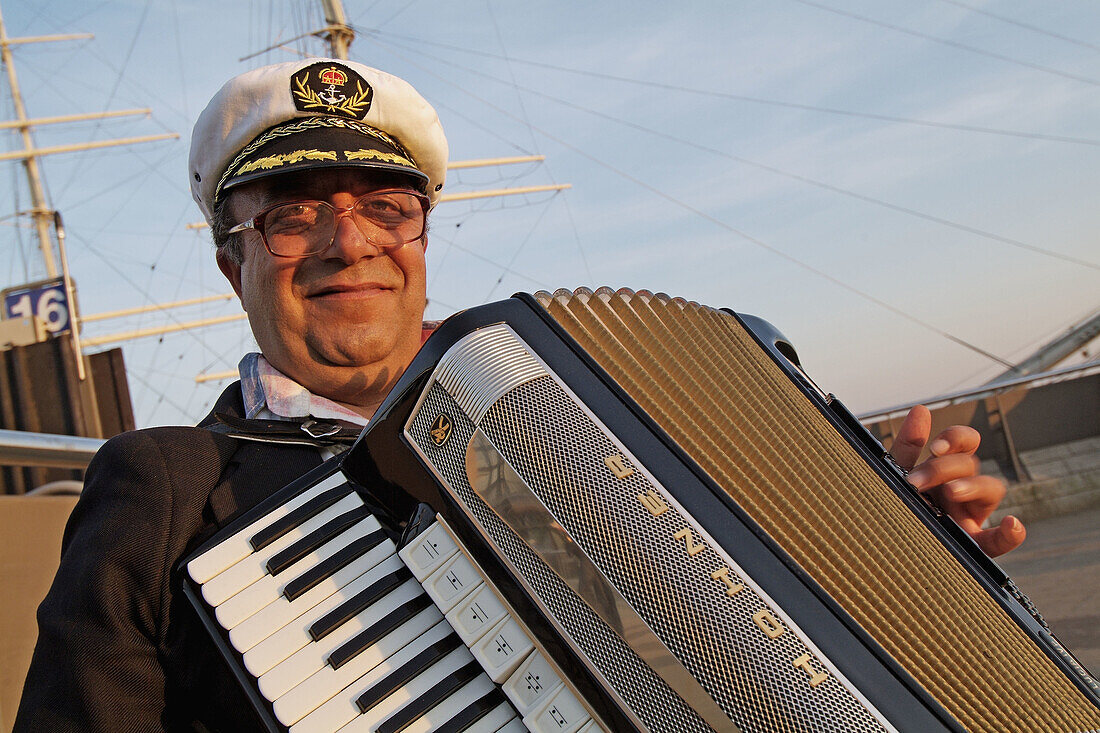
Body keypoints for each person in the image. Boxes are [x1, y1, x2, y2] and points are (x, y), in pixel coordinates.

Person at [14, 58, 1024, 732]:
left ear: (418, 238)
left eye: (383, 208)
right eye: (292, 215)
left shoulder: (586, 421)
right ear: (232, 261)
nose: (347, 240)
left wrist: (901, 564)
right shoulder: (170, 486)